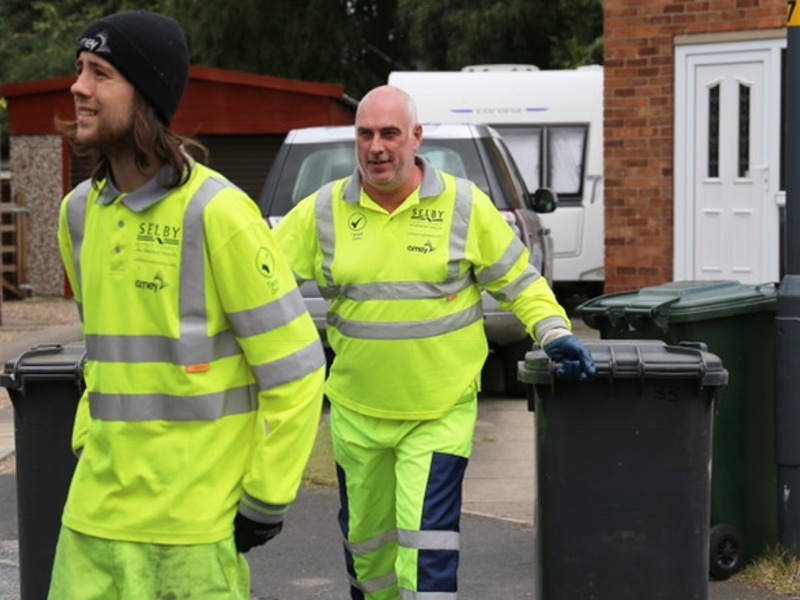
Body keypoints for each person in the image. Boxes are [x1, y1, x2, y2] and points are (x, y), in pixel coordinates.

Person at [273, 85, 596, 600]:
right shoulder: (323, 212)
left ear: (416, 137)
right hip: (357, 414)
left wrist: (554, 331)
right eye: (365, 134)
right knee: (368, 553)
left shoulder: (463, 206)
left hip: (438, 413)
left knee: (426, 553)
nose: (376, 147)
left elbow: (521, 283)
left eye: (390, 134)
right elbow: (259, 283)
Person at [50, 10, 326, 599]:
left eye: (100, 73)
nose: (77, 86)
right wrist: (86, 440)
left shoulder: (218, 213)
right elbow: (103, 353)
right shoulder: (77, 214)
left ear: (146, 95)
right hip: (92, 521)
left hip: (192, 532)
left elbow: (297, 368)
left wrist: (266, 496)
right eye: (79, 69)